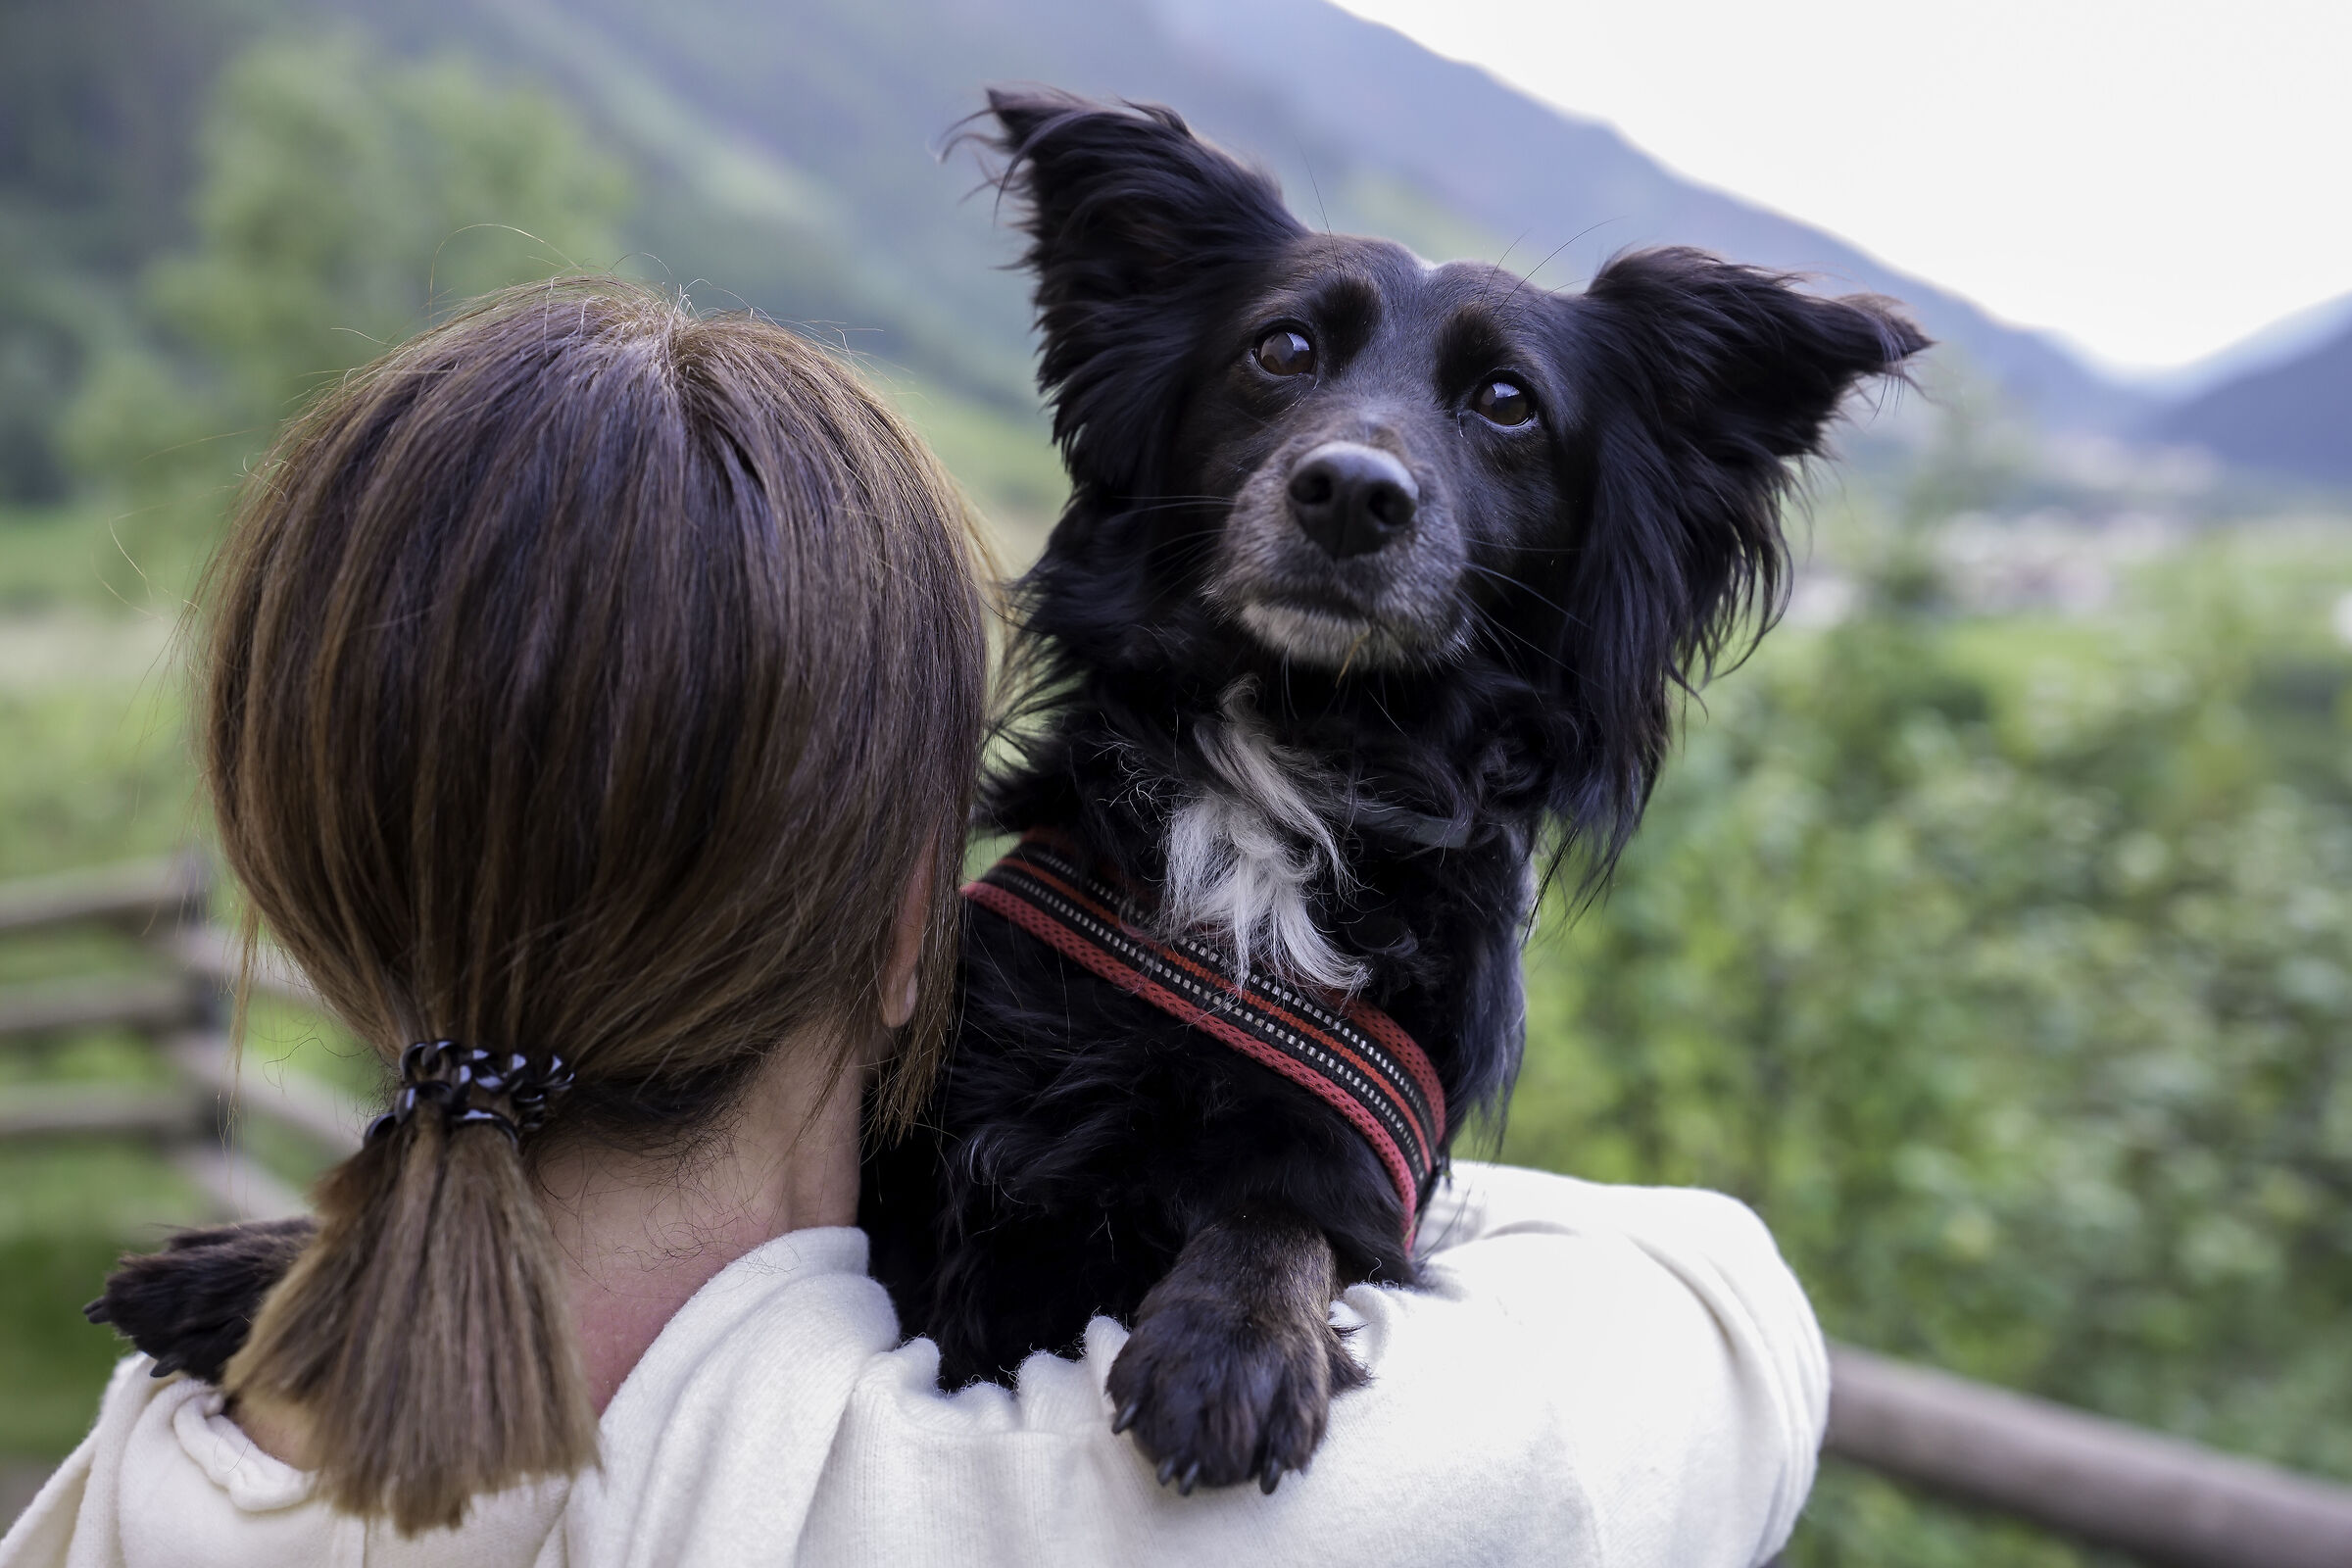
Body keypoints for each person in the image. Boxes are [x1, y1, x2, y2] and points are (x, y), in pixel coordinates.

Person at [0, 279, 1827, 1568]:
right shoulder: (1126, 1520)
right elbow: (1736, 1322)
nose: (1365, 458)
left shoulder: (116, 1497)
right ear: (906, 927)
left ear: (307, 896)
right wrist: (1324, 1206)